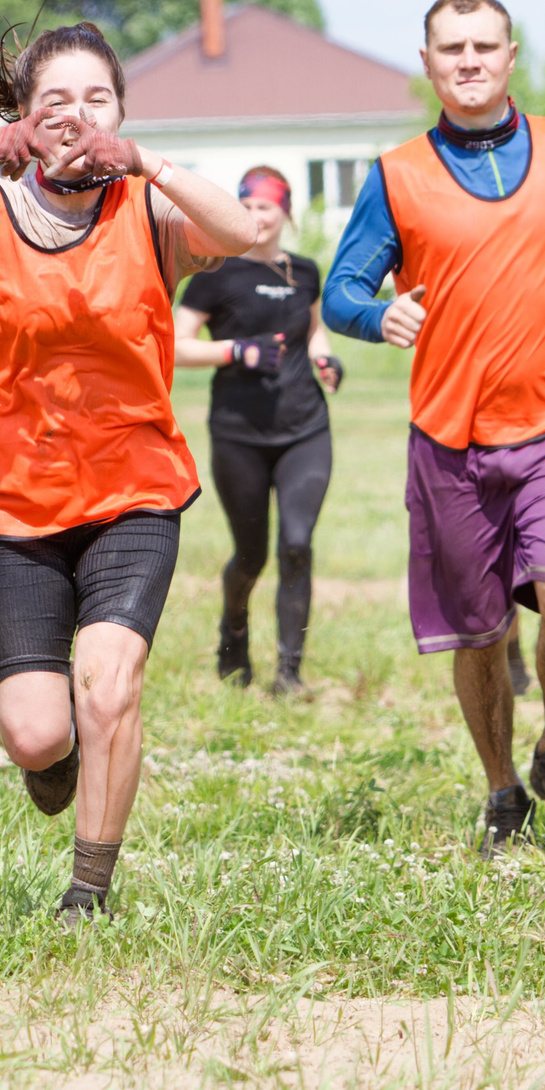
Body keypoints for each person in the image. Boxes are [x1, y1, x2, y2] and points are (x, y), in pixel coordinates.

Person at [0, 22, 256, 922]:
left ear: (121, 112)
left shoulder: (146, 210)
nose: (78, 116)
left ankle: (88, 889)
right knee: (35, 732)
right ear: (23, 116)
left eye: (98, 99)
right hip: (14, 498)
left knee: (109, 683)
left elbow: (241, 229)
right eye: (56, 101)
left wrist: (148, 164)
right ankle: (59, 762)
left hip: (134, 486)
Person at [322, 0, 545, 853]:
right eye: (452, 48)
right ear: (428, 63)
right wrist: (377, 315)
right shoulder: (398, 175)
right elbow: (340, 291)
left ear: (512, 55)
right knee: (478, 633)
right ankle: (502, 790)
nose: (470, 60)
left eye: (485, 45)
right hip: (451, 440)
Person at [171, 166, 341, 697]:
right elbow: (173, 345)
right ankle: (234, 632)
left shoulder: (304, 271)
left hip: (304, 429)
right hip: (238, 434)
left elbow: (313, 330)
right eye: (246, 206)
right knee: (251, 555)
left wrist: (326, 358)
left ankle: (289, 672)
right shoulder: (216, 271)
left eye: (266, 206)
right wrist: (235, 350)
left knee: (297, 545)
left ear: (284, 212)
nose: (256, 216)